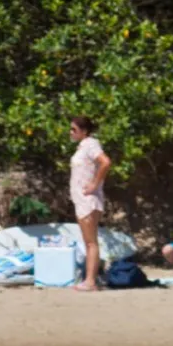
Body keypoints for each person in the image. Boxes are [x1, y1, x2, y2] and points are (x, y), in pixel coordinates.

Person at [68, 116, 111, 292]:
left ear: (84, 131)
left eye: (74, 130)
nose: (71, 132)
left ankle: (90, 280)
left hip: (88, 200)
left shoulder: (91, 144)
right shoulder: (83, 147)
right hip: (81, 199)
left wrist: (94, 183)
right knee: (89, 241)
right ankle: (90, 278)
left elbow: (105, 162)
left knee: (90, 242)